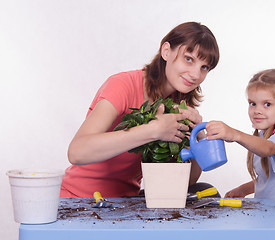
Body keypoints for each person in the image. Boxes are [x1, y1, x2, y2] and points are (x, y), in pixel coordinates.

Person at [61, 22, 220, 198]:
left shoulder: (179, 106)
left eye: (204, 67)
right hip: (78, 199)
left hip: (125, 205)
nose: (196, 75)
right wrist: (153, 130)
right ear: (166, 51)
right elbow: (77, 152)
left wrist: (198, 136)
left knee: (205, 191)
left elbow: (186, 181)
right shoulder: (122, 85)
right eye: (189, 59)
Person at [205, 69, 275, 230]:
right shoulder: (264, 135)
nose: (257, 110)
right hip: (267, 220)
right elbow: (271, 178)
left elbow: (267, 149)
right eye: (252, 103)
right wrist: (244, 189)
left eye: (267, 104)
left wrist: (234, 134)